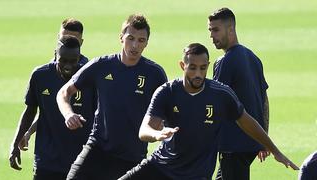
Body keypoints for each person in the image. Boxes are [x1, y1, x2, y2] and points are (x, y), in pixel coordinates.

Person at [118, 43, 298, 180]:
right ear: (182, 65)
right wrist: (158, 135)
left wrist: (274, 150)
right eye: (192, 67)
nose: (198, 74)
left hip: (196, 175)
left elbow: (247, 122)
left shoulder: (221, 94)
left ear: (208, 66)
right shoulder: (167, 92)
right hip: (161, 166)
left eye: (203, 68)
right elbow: (144, 131)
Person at [56, 14, 167, 180]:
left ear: (147, 43)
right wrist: (68, 114)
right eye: (130, 38)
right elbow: (64, 92)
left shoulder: (155, 73)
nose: (135, 45)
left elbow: (167, 111)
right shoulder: (101, 65)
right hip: (97, 149)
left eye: (141, 40)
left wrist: (161, 127)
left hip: (132, 157)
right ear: (121, 38)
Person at [9, 35, 96, 180]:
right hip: (47, 162)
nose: (68, 66)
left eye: (73, 61)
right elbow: (31, 110)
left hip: (80, 161)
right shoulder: (40, 76)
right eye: (63, 60)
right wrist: (16, 143)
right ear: (55, 55)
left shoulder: (89, 78)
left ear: (79, 57)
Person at [208, 7, 270, 180]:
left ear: (231, 29)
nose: (211, 36)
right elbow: (264, 100)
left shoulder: (224, 62)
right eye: (210, 30)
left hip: (233, 145)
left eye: (216, 30)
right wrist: (263, 137)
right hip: (249, 144)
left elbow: (215, 104)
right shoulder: (253, 57)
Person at [17, 18, 89, 151]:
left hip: (78, 152)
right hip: (48, 155)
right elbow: (45, 111)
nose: (68, 43)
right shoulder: (42, 74)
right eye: (64, 38)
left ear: (81, 43)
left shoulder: (89, 74)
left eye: (74, 40)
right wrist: (25, 134)